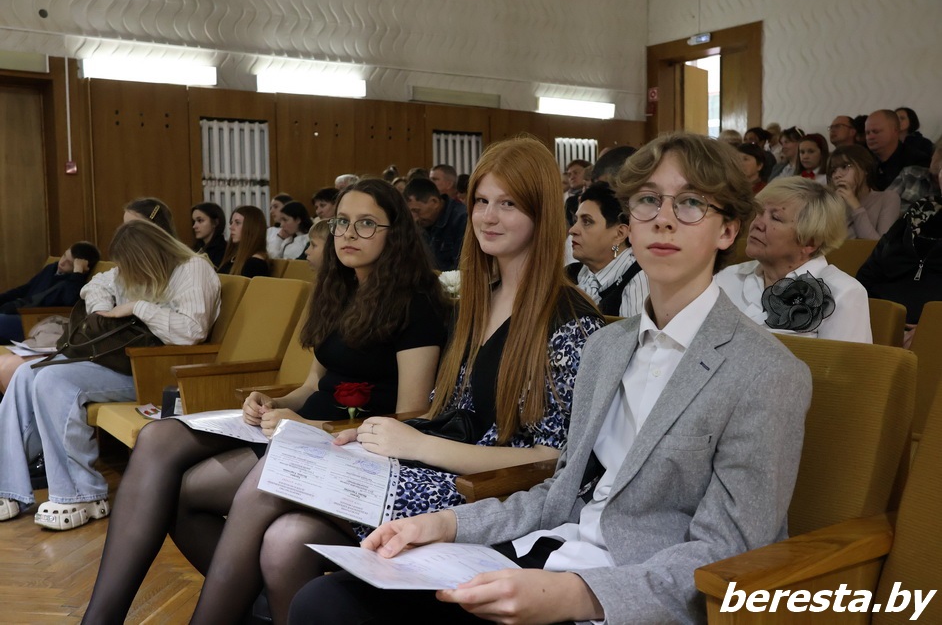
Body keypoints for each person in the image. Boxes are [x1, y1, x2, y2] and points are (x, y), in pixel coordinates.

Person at [289, 131, 812, 625]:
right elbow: (560, 490)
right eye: (649, 201)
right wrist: (448, 524)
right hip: (545, 552)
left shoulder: (765, 372)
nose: (665, 220)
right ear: (629, 222)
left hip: (625, 593)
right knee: (326, 600)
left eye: (691, 203)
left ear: (727, 229)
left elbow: (732, 554)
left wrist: (579, 594)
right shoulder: (609, 346)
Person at [185, 137, 605, 624]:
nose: (489, 217)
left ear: (541, 214)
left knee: (273, 474)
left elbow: (555, 462)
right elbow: (445, 415)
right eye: (483, 202)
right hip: (435, 468)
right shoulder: (477, 303)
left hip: (479, 493)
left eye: (509, 204)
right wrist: (377, 435)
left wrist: (419, 444)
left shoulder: (572, 323)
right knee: (284, 537)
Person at [82, 178, 451, 624]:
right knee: (159, 439)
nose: (349, 234)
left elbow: (411, 415)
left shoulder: (417, 305)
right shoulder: (338, 290)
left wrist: (314, 428)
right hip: (298, 432)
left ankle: (233, 605)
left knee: (180, 490)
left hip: (355, 451)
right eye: (342, 223)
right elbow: (314, 385)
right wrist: (270, 401)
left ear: (397, 234)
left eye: (367, 224)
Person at [0, 220, 221, 528]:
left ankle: (82, 493)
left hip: (156, 370)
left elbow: (192, 331)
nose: (124, 272)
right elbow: (96, 284)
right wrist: (104, 311)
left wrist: (136, 307)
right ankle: (8, 488)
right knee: (27, 374)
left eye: (130, 264)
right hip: (118, 361)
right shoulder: (129, 272)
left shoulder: (193, 269)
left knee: (53, 380)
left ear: (147, 257)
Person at [717, 177, 872, 343]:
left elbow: (846, 368)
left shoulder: (843, 293)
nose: (757, 224)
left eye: (775, 218)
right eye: (759, 213)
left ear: (810, 242)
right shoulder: (726, 276)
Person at [857, 164, 942, 348]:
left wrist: (933, 326)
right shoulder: (920, 212)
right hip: (878, 319)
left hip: (927, 331)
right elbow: (869, 272)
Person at [567, 182, 648, 317]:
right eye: (575, 221)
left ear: (620, 234)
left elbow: (631, 338)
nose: (573, 230)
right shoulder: (571, 274)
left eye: (587, 222)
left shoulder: (638, 279)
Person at [0, 242, 101, 343]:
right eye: (64, 256)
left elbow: (70, 301)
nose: (61, 263)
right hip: (19, 312)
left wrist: (78, 273)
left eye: (69, 263)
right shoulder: (51, 268)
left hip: (36, 321)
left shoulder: (76, 284)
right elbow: (26, 288)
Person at [827, 145, 901, 239]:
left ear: (865, 169)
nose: (837, 175)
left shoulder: (888, 198)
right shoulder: (831, 205)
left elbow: (878, 248)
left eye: (845, 166)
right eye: (833, 170)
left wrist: (855, 206)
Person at [404, 177, 468, 271]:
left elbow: (463, 269)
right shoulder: (418, 224)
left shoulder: (462, 219)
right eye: (411, 212)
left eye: (417, 211)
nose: (415, 218)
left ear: (434, 202)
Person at [866, 110, 931, 190]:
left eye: (876, 131)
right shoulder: (866, 164)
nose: (870, 137)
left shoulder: (917, 161)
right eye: (867, 133)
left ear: (895, 130)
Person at [217, 206, 270, 278]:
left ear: (252, 227)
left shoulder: (255, 263)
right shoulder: (233, 256)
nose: (231, 227)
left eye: (237, 223)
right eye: (231, 222)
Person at [190, 202, 227, 268]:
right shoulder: (195, 249)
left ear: (215, 222)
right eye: (194, 221)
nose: (194, 226)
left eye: (200, 220)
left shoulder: (224, 251)